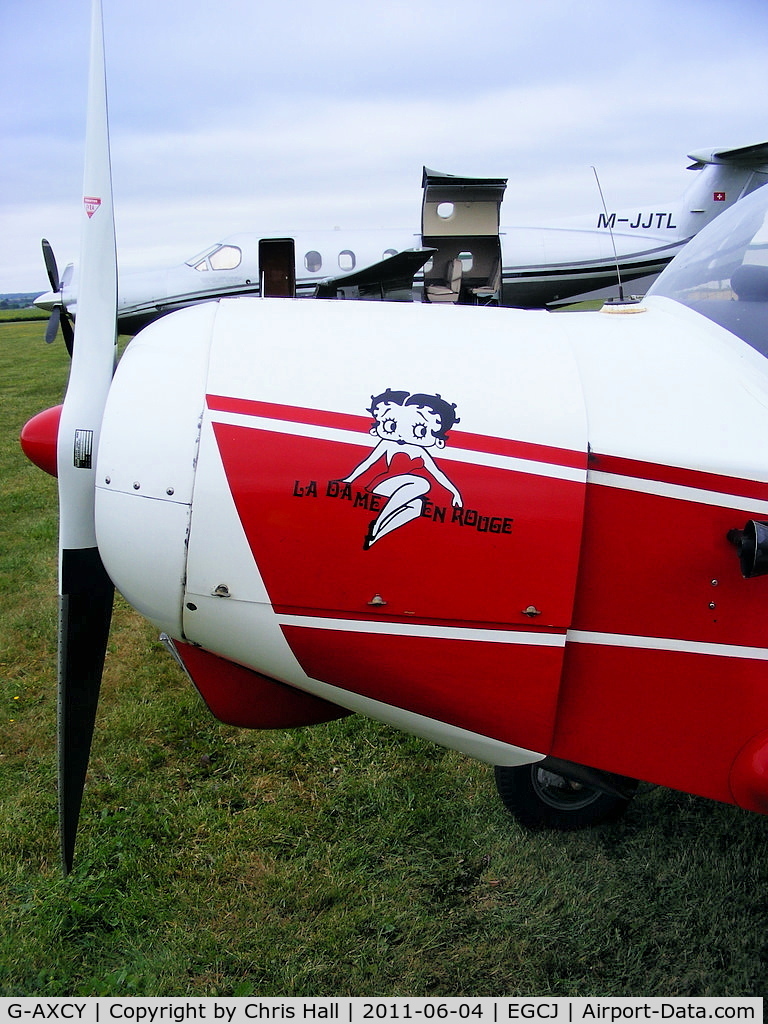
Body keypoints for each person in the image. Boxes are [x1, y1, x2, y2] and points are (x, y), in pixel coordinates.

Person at [342, 388, 463, 548]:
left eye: (420, 430)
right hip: (383, 484)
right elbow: (368, 462)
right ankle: (377, 524)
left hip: (404, 489)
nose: (401, 434)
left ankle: (375, 537)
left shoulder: (421, 452)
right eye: (391, 425)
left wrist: (455, 493)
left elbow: (437, 473)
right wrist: (349, 479)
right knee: (422, 484)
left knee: (417, 506)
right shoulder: (387, 444)